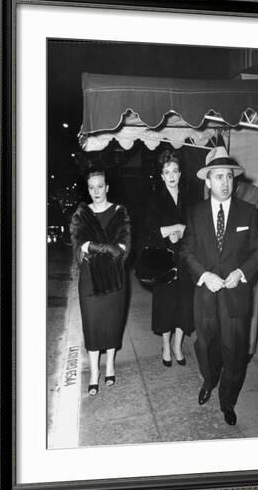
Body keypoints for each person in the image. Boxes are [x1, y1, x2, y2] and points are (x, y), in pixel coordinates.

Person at [180, 146, 258, 425]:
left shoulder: (249, 212)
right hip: (205, 294)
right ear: (208, 181)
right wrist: (205, 275)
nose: (225, 183)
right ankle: (209, 380)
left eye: (229, 177)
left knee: (234, 351)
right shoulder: (195, 213)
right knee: (205, 346)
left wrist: (241, 272)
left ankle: (227, 400)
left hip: (235, 297)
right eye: (218, 177)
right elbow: (186, 252)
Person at [70, 169, 131, 395]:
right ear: (88, 190)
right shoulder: (81, 215)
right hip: (90, 282)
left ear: (107, 187)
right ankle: (94, 372)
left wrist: (96, 247)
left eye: (100, 186)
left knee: (113, 324)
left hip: (114, 281)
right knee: (93, 326)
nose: (96, 191)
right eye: (91, 187)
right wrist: (93, 248)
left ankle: (110, 366)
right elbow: (78, 246)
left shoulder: (119, 212)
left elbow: (125, 246)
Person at [145, 150, 194, 367]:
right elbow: (152, 231)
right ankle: (166, 345)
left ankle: (177, 345)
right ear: (162, 176)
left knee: (184, 304)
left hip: (185, 260)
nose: (172, 175)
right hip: (164, 261)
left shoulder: (189, 197)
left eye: (175, 170)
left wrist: (183, 232)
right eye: (167, 172)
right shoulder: (156, 199)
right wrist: (176, 228)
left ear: (180, 173)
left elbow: (195, 229)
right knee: (165, 305)